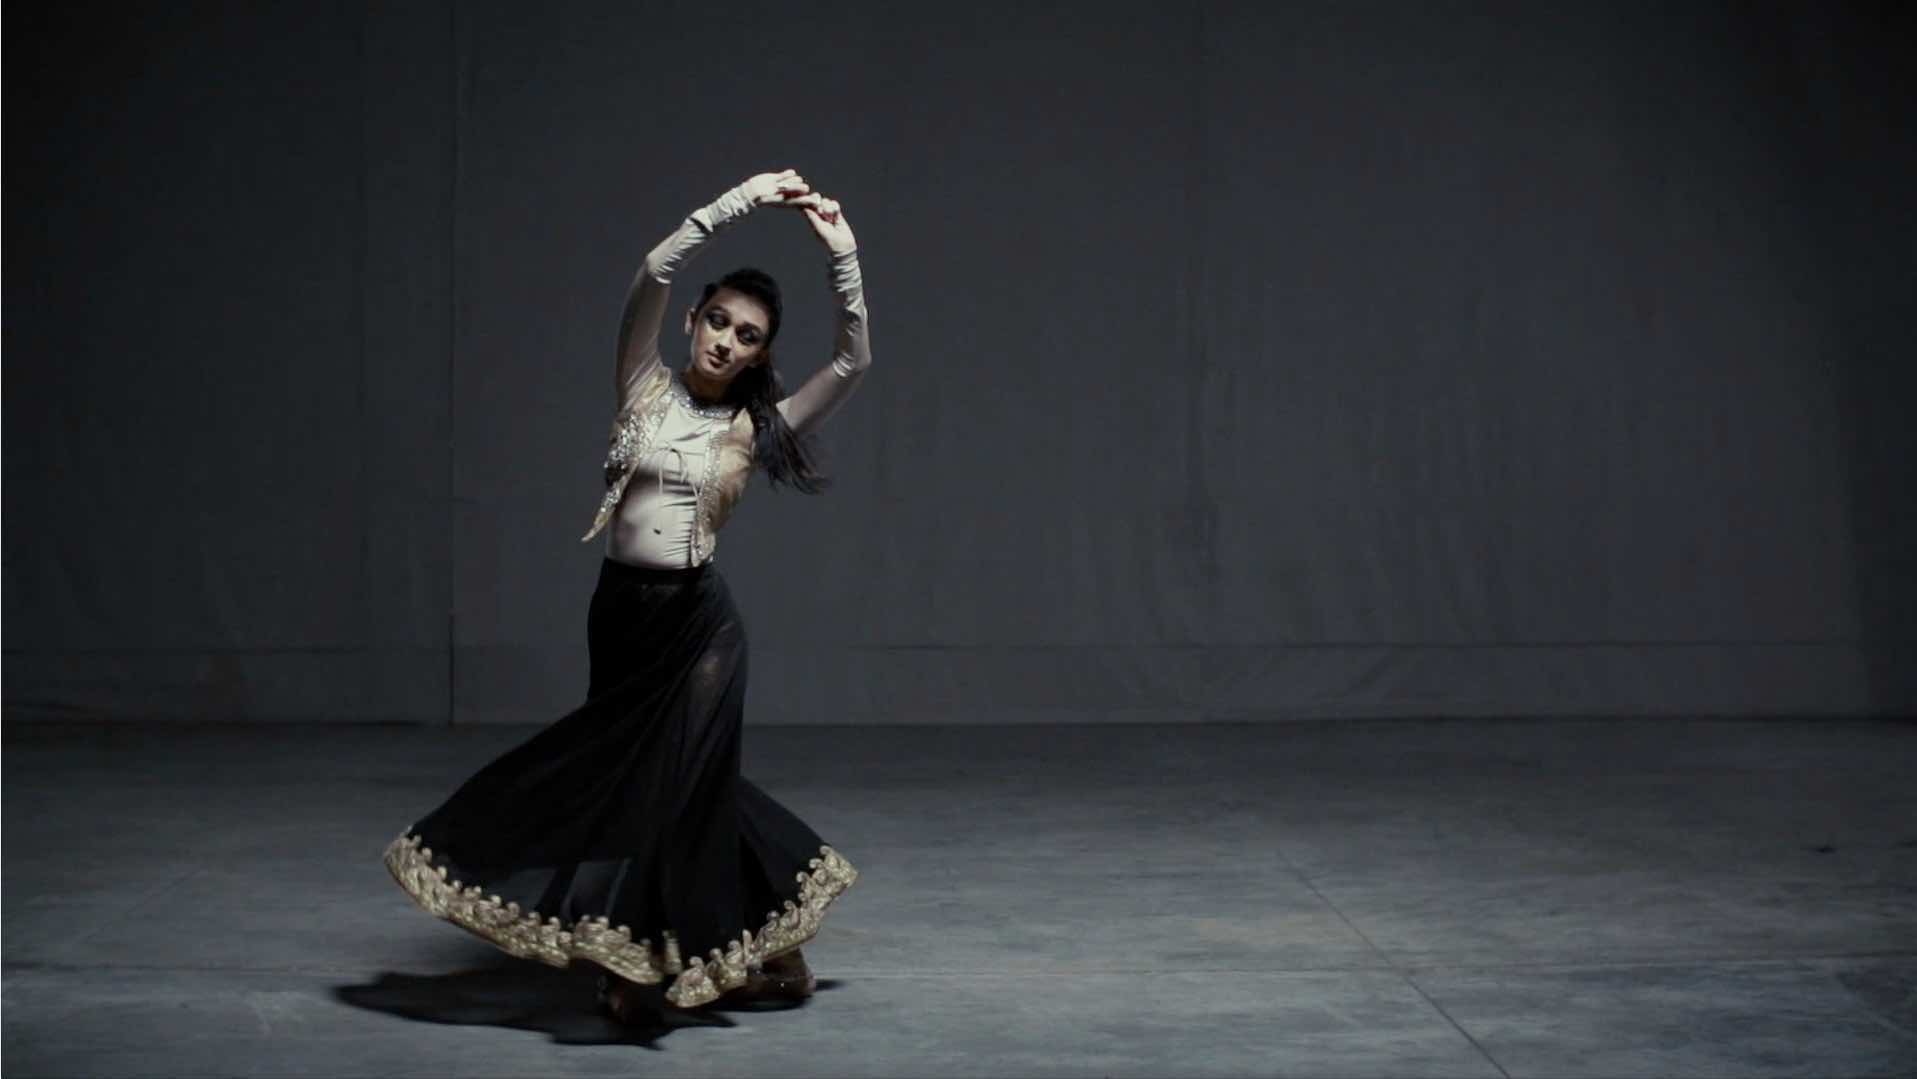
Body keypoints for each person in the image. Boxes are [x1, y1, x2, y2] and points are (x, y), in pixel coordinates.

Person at [382, 169, 868, 1019]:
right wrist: (735, 203)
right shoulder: (641, 380)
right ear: (692, 321)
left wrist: (843, 256)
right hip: (620, 616)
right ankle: (772, 932)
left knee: (675, 782)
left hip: (700, 627)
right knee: (640, 778)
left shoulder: (755, 428)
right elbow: (653, 269)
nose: (726, 342)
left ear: (759, 355)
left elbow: (852, 360)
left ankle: (633, 965)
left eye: (747, 336)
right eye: (717, 321)